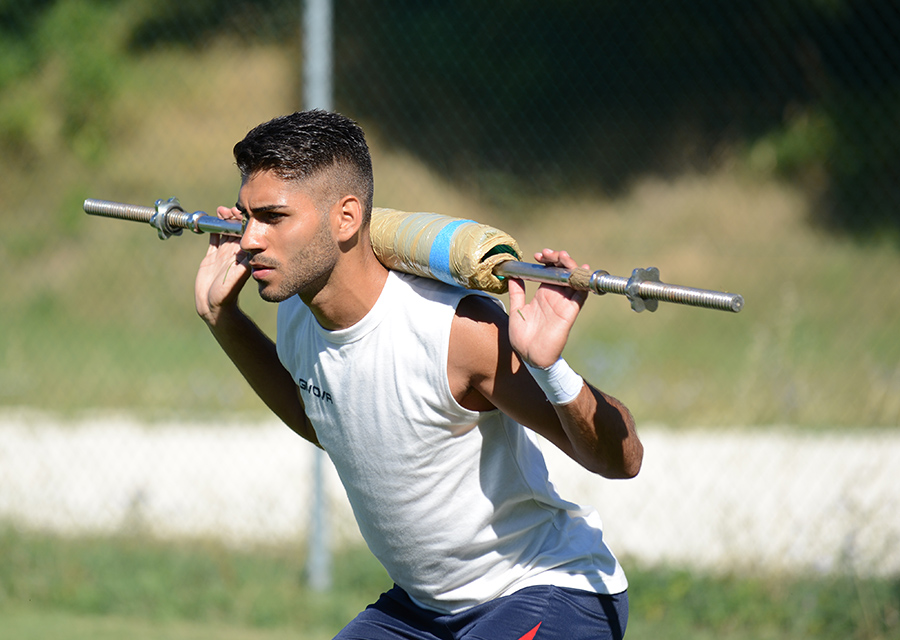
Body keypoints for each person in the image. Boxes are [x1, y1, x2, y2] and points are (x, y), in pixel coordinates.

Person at [194, 109, 643, 640]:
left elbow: (622, 459)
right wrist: (222, 319)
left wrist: (550, 367)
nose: (247, 239)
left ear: (346, 217)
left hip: (545, 588)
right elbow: (322, 418)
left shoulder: (456, 331)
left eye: (273, 217)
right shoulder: (297, 311)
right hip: (421, 610)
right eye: (247, 216)